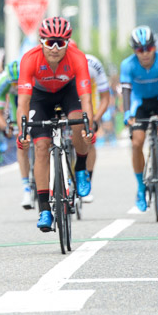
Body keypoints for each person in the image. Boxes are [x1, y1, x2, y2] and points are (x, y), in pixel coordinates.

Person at [16, 17, 96, 232]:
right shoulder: (29, 59)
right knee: (41, 147)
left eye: (60, 43)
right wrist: (22, 132)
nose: (54, 48)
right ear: (41, 41)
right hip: (40, 98)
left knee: (79, 125)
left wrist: (90, 127)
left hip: (67, 93)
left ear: (68, 43)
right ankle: (44, 208)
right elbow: (23, 101)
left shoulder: (77, 58)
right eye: (50, 42)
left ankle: (80, 169)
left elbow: (86, 98)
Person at [120, 25, 158, 213]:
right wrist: (128, 113)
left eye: (149, 49)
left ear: (155, 47)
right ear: (134, 51)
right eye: (140, 50)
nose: (145, 54)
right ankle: (140, 187)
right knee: (137, 143)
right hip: (140, 104)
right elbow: (127, 91)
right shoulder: (127, 65)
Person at [0, 60, 32, 208]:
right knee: (21, 143)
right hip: (17, 108)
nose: (15, 85)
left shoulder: (32, 78)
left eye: (18, 82)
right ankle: (26, 187)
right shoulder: (4, 83)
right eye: (13, 83)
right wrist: (5, 127)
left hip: (33, 102)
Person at [81, 53, 111, 202]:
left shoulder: (93, 64)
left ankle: (87, 181)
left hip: (89, 102)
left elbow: (105, 97)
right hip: (67, 100)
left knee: (89, 141)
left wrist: (96, 119)